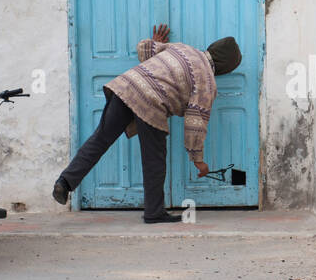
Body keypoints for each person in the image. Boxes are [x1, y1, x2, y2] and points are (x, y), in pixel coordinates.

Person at [54, 25, 241, 223]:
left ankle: (65, 182)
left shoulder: (182, 48)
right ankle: (154, 212)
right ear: (225, 67)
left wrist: (156, 42)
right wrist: (198, 159)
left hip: (125, 86)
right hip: (152, 103)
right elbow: (195, 123)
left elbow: (144, 49)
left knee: (100, 139)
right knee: (154, 160)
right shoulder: (207, 82)